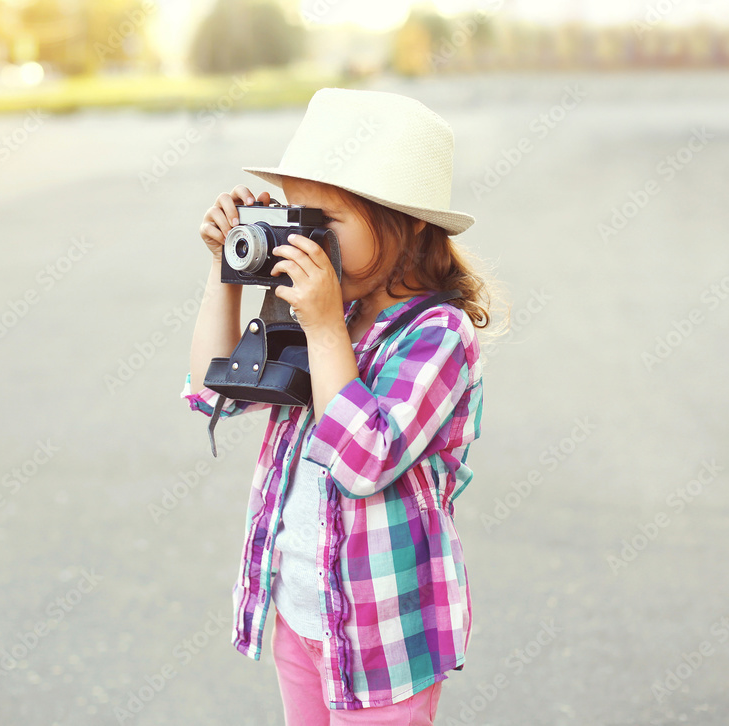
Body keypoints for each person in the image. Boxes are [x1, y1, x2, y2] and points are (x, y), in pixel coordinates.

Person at [181, 88, 494, 725]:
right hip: (300, 611)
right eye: (299, 216)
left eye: (327, 221)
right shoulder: (331, 309)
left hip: (385, 637)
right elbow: (218, 389)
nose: (308, 240)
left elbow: (364, 460)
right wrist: (226, 271)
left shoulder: (438, 334)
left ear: (405, 225)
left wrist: (324, 329)